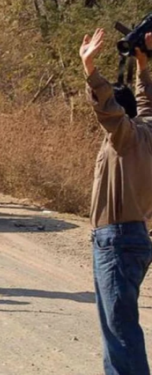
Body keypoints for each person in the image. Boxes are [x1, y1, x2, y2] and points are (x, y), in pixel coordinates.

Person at [80, 28, 152, 375]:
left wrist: (90, 69)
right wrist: (144, 67)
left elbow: (108, 110)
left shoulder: (123, 137)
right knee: (118, 327)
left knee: (120, 332)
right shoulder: (148, 130)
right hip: (135, 238)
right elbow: (149, 102)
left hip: (117, 242)